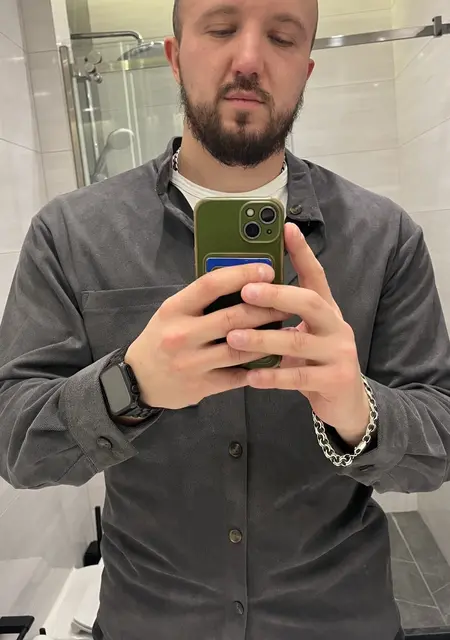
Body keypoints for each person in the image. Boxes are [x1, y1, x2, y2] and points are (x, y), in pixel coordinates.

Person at [1, 0, 450, 638]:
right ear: (175, 56)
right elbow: (14, 442)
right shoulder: (70, 235)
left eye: (283, 37)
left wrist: (359, 412)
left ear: (307, 69)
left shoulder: (386, 238)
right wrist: (130, 386)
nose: (249, 58)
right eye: (220, 28)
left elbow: (439, 442)